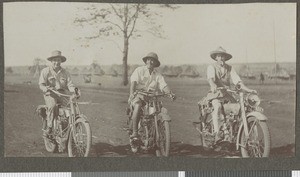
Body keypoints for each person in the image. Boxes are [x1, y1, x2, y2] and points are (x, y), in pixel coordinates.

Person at [206, 47, 256, 142]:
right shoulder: (211, 67)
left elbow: (237, 81)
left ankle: (234, 132)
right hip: (215, 94)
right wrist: (213, 85)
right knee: (217, 107)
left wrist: (248, 90)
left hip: (228, 95)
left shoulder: (230, 68)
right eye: (219, 56)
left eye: (223, 56)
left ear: (225, 58)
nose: (221, 58)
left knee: (239, 109)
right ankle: (217, 133)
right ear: (216, 58)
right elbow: (211, 79)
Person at [128, 52, 175, 139]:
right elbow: (133, 82)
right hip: (138, 95)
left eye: (152, 60)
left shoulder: (157, 75)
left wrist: (170, 93)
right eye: (148, 60)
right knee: (138, 105)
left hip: (151, 98)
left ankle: (154, 131)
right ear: (146, 61)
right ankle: (135, 132)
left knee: (158, 110)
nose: (150, 62)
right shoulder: (139, 70)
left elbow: (163, 85)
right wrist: (132, 94)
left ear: (155, 63)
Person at [39, 50, 79, 134]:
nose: (56, 62)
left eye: (58, 60)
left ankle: (70, 128)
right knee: (53, 106)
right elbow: (41, 84)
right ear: (51, 61)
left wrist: (75, 90)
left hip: (62, 94)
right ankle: (49, 127)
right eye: (54, 60)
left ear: (61, 61)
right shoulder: (45, 71)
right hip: (50, 94)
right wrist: (45, 88)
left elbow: (70, 85)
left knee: (72, 107)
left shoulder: (65, 72)